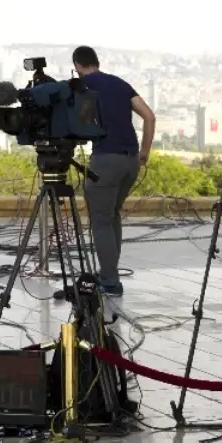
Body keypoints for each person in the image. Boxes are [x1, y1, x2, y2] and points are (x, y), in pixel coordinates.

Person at [72, 46, 156, 297]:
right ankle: (110, 271)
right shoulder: (120, 84)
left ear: (77, 65)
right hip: (130, 161)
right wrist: (144, 152)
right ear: (96, 62)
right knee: (112, 216)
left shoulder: (83, 88)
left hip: (105, 160)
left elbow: (82, 125)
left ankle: (109, 281)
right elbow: (149, 117)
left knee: (100, 220)